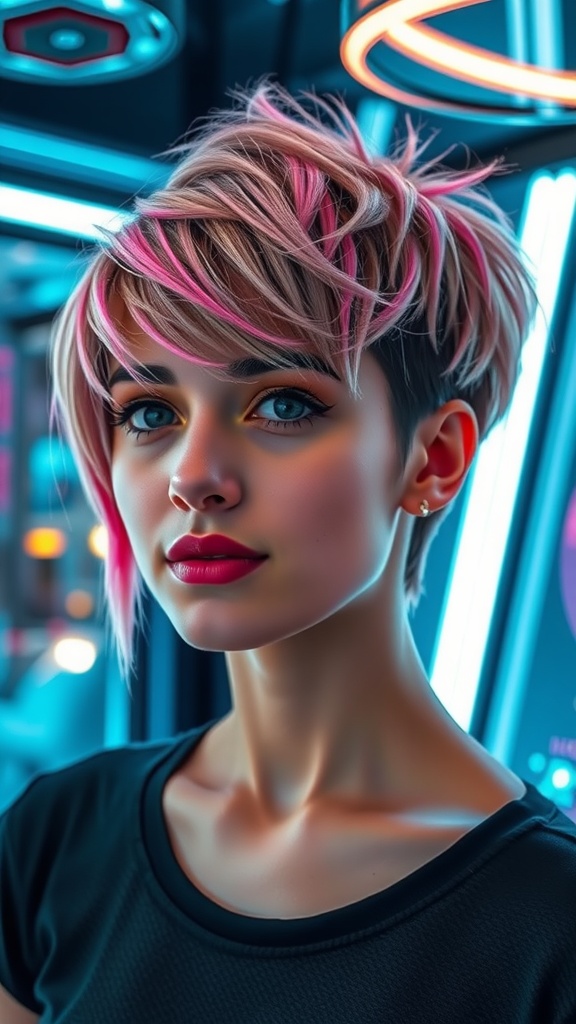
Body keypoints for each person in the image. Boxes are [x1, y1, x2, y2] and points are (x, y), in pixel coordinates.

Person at [1, 77, 575, 1024]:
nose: (195, 475)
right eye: (149, 413)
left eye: (281, 404)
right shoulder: (56, 840)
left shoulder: (547, 931)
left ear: (434, 458)